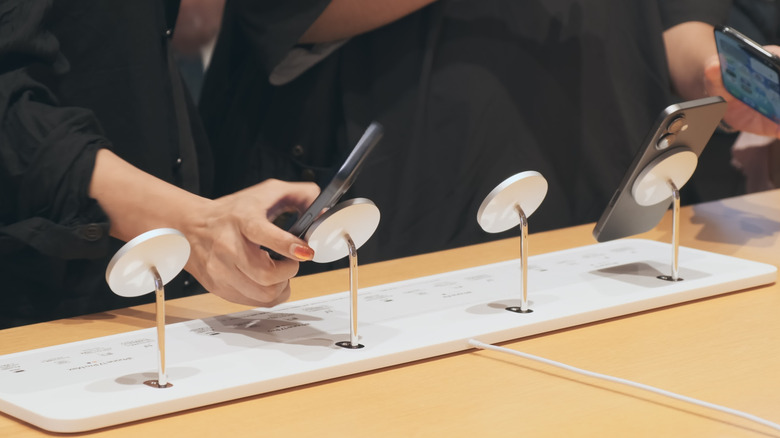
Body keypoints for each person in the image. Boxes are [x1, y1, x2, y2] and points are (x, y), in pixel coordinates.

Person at [201, 0, 757, 274]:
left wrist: (722, 73)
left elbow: (672, 20)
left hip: (602, 196)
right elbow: (276, 15)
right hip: (406, 211)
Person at [0, 0, 319, 329]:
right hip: (49, 285)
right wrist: (194, 224)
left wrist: (195, 220)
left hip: (160, 273)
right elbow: (10, 119)